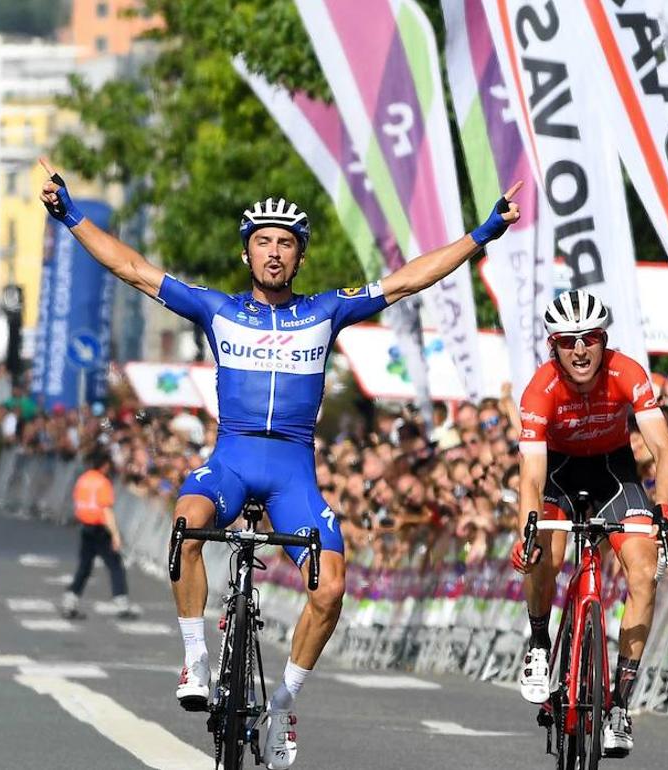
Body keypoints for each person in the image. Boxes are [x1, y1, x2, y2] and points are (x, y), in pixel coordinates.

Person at [39, 157, 521, 769]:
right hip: (232, 462)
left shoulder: (326, 310)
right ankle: (195, 657)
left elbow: (406, 281)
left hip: (295, 473)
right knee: (186, 521)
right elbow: (130, 268)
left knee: (333, 587)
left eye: (285, 243)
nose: (273, 252)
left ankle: (284, 703)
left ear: (299, 258)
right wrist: (72, 216)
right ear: (247, 255)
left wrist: (482, 235)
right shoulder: (217, 309)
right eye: (262, 241)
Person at [511, 289, 668, 757]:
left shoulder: (627, 373)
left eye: (591, 338)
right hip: (558, 473)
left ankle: (620, 706)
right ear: (553, 347)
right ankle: (540, 643)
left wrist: (663, 505)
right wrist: (528, 528)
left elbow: (664, 449)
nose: (580, 349)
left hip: (613, 470)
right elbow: (530, 475)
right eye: (568, 341)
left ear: (605, 340)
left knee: (644, 570)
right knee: (547, 552)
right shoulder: (539, 390)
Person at [60, 448, 140, 620]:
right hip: (100, 529)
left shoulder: (83, 479)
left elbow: (78, 502)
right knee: (115, 566)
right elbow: (106, 510)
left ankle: (70, 602)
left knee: (84, 567)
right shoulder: (103, 482)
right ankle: (122, 604)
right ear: (104, 465)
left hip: (85, 527)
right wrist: (116, 534)